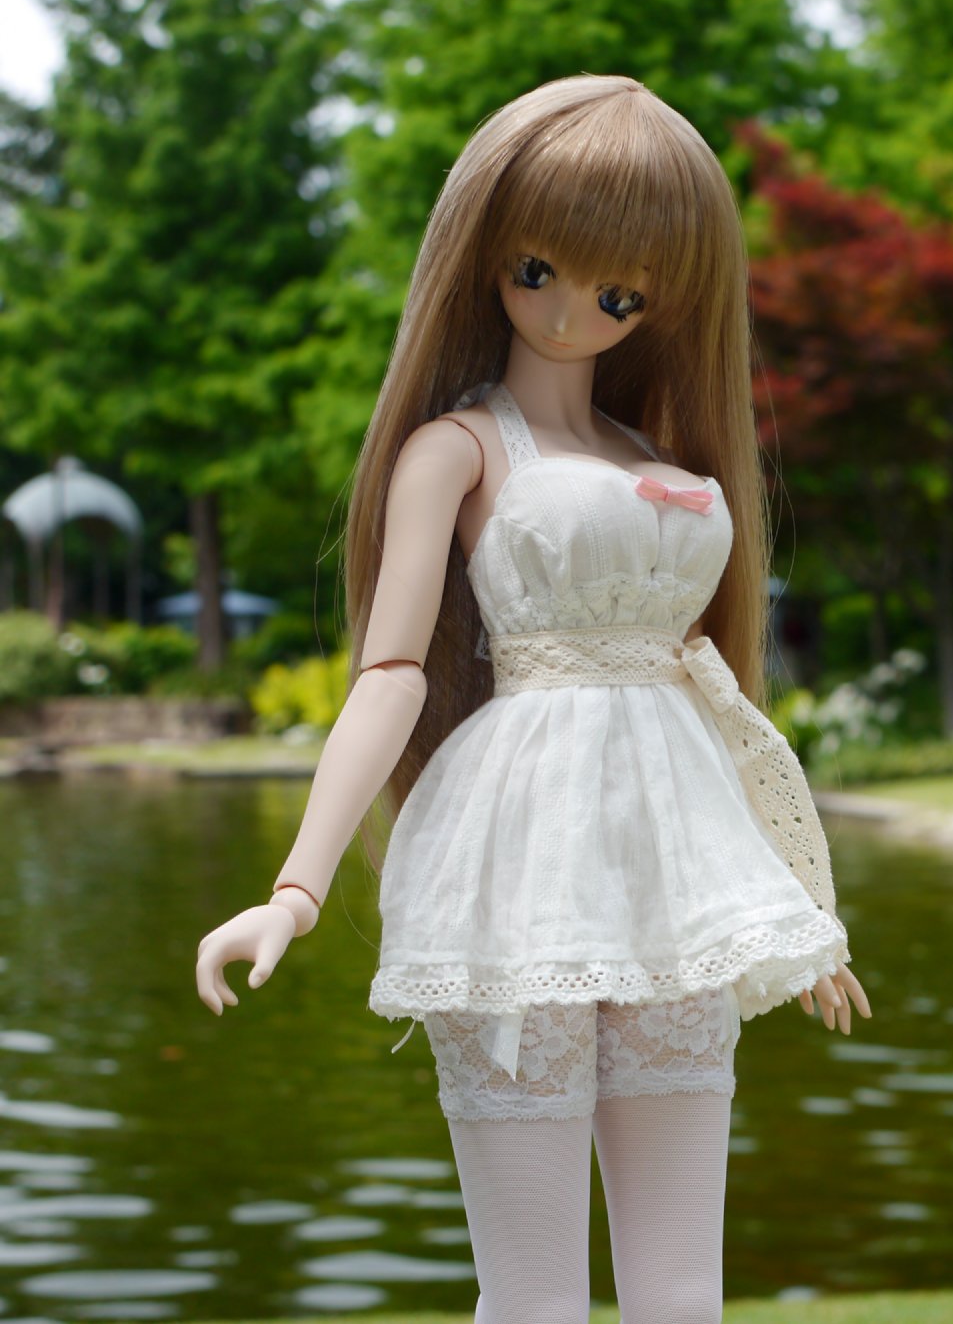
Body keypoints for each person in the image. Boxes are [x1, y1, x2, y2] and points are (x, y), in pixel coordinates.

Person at [193, 76, 871, 1322]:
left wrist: (798, 907)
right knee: (535, 1292)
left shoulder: (657, 455)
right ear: (486, 257)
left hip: (671, 870)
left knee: (682, 1287)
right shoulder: (458, 448)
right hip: (517, 858)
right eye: (538, 271)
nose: (570, 313)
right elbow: (391, 675)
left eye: (618, 293)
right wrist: (296, 887)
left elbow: (711, 698)